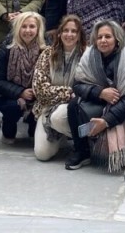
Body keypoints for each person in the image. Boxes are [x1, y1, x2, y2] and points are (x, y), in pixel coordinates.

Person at [66, 19, 125, 171]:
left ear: (117, 39)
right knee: (73, 105)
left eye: (108, 36)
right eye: (100, 37)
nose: (103, 40)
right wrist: (99, 92)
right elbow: (77, 85)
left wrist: (106, 121)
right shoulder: (89, 56)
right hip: (97, 102)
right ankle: (82, 151)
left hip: (118, 107)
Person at [32, 14, 86, 161]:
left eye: (74, 31)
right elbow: (40, 90)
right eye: (66, 30)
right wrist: (68, 92)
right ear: (60, 33)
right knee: (42, 154)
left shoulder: (87, 55)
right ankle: (61, 137)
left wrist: (64, 94)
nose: (69, 34)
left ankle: (86, 145)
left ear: (80, 34)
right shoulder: (47, 54)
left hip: (75, 109)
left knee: (60, 116)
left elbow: (88, 88)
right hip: (47, 108)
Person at [0, 11, 46, 145]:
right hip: (12, 95)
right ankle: (8, 129)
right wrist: (20, 92)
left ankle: (34, 130)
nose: (28, 30)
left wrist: (36, 92)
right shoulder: (7, 47)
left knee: (39, 108)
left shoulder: (46, 49)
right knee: (11, 107)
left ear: (38, 29)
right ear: (17, 28)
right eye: (24, 26)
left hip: (38, 94)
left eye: (32, 26)